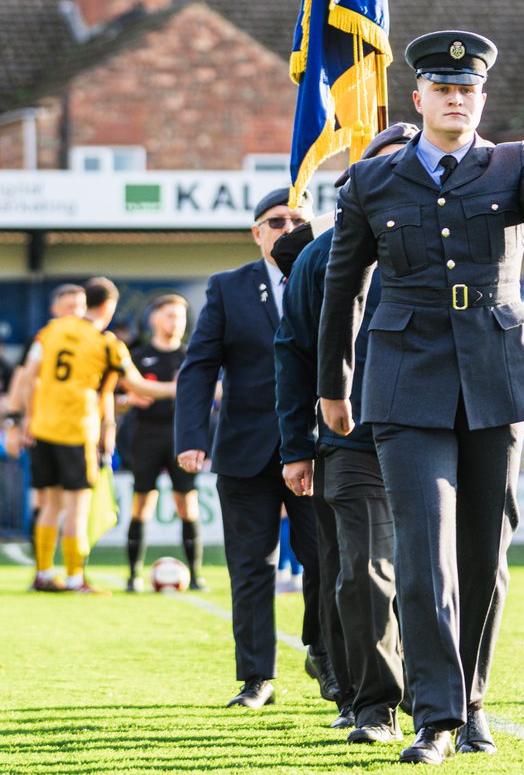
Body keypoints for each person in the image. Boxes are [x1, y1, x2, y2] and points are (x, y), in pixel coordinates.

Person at [317, 29, 524, 764]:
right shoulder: (370, 181)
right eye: (442, 89)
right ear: (417, 99)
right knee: (422, 552)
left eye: (468, 89)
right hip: (404, 377)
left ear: (481, 98)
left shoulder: (512, 164)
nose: (456, 97)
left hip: (495, 373)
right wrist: (332, 386)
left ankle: (472, 700)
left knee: (484, 551)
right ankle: (436, 718)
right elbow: (341, 289)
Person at [276, 124, 416, 745]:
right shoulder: (319, 255)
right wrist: (296, 447)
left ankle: (434, 696)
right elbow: (294, 354)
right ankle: (369, 701)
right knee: (359, 573)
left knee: (433, 572)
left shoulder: (445, 246)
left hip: (434, 436)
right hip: (350, 443)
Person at [175, 187, 335, 711]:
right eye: (275, 221)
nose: (287, 229)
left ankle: (325, 655)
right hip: (245, 451)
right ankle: (256, 679)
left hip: (318, 448)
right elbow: (199, 365)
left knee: (326, 561)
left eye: (297, 220)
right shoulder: (227, 288)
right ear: (256, 231)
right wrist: (192, 437)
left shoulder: (331, 277)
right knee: (250, 567)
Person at [21, 277, 174, 593]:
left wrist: (21, 417)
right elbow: (138, 385)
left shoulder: (52, 331)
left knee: (50, 503)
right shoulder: (107, 343)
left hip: (43, 428)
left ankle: (44, 573)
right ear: (109, 305)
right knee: (77, 506)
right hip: (77, 431)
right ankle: (76, 577)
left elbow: (29, 374)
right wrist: (177, 388)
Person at [121, 294, 205, 592]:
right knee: (142, 502)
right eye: (170, 315)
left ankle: (195, 575)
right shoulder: (138, 357)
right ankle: (133, 575)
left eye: (180, 316)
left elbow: (211, 393)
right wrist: (127, 399)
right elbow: (120, 395)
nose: (176, 322)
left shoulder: (191, 356)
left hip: (181, 436)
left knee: (186, 503)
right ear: (154, 319)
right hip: (146, 435)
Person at [3, 283, 88, 535]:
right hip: (44, 427)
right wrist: (18, 420)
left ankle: (73, 570)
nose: (75, 312)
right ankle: (42, 565)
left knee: (74, 502)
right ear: (55, 309)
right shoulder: (43, 338)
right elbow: (24, 378)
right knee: (45, 497)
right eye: (69, 306)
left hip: (79, 429)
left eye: (80, 306)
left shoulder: (93, 340)